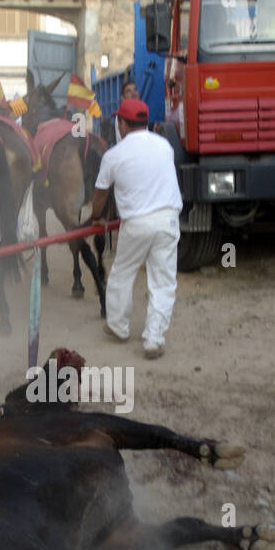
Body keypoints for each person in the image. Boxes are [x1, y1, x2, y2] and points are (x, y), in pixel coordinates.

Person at [87, 98, 182, 359]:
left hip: (137, 224)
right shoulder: (164, 146)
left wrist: (96, 218)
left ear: (122, 124)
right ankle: (154, 339)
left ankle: (118, 326)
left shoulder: (114, 155)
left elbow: (100, 194)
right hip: (169, 219)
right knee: (162, 282)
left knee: (122, 273)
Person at [113, 78, 139, 142]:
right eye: (128, 91)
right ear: (123, 98)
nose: (133, 93)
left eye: (135, 90)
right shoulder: (121, 117)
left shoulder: (142, 113)